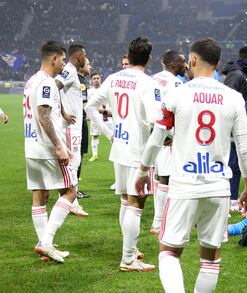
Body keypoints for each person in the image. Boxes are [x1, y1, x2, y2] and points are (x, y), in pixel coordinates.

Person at [135, 37, 247, 293]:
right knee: (210, 258)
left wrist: (143, 170)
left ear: (192, 60)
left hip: (183, 187)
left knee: (169, 252)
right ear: (218, 63)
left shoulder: (176, 95)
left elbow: (157, 138)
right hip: (219, 187)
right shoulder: (233, 98)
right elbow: (243, 148)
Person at [85, 36, 158, 272]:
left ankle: (131, 250)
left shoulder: (114, 78)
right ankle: (128, 259)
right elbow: (156, 120)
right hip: (140, 152)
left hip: (119, 148)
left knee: (125, 202)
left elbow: (89, 107)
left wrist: (109, 132)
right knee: (136, 204)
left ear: (129, 54)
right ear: (149, 58)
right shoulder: (149, 83)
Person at [24, 40, 76, 263]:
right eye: (63, 59)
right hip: (47, 149)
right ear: (54, 58)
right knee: (71, 191)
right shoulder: (46, 83)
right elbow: (43, 114)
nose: (64, 64)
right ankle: (47, 242)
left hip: (31, 145)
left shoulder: (30, 81)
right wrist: (58, 146)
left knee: (40, 195)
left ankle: (44, 246)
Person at [150, 50, 186, 234]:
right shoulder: (176, 83)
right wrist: (171, 134)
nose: (185, 65)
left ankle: (159, 218)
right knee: (166, 176)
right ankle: (158, 222)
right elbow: (178, 111)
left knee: (158, 175)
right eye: (182, 62)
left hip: (153, 133)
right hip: (167, 134)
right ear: (173, 64)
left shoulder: (153, 79)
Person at [55, 43, 89, 216]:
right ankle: (72, 203)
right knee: (72, 164)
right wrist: (63, 112)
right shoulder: (69, 70)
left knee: (73, 164)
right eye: (84, 55)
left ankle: (68, 199)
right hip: (69, 127)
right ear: (78, 57)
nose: (85, 58)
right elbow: (54, 87)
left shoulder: (72, 71)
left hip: (74, 126)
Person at [221, 46, 247, 211]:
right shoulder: (237, 74)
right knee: (233, 163)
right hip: (233, 126)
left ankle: (231, 198)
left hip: (237, 125)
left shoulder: (240, 73)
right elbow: (227, 98)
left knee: (235, 163)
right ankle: (231, 199)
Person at [88, 72, 113, 162]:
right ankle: (95, 155)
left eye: (97, 78)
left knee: (112, 137)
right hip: (95, 118)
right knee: (94, 136)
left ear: (100, 78)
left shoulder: (106, 89)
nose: (96, 80)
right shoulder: (89, 92)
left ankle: (115, 154)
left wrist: (111, 110)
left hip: (108, 118)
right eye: (94, 78)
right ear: (91, 80)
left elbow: (112, 101)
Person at [76, 58, 91, 199]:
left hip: (73, 123)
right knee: (78, 155)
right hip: (79, 124)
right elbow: (83, 105)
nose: (90, 66)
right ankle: (74, 190)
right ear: (81, 67)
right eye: (88, 64)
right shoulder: (82, 82)